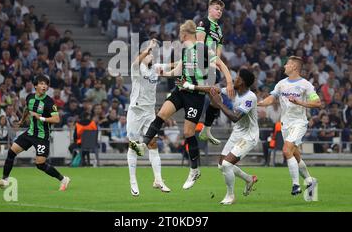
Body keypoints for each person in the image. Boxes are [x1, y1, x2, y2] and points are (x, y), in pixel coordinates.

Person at [130, 20, 229, 190]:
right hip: (180, 90)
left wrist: (229, 82)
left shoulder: (202, 49)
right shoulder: (185, 51)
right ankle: (143, 144)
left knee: (188, 133)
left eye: (180, 34)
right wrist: (166, 74)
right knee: (161, 114)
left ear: (184, 35)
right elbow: (179, 70)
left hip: (195, 95)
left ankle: (194, 170)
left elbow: (220, 63)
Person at [0, 75, 70, 191]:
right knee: (11, 152)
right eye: (41, 83)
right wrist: (22, 121)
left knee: (40, 164)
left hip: (42, 136)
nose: (44, 86)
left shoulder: (49, 102)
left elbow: (57, 119)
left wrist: (40, 118)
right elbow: (27, 109)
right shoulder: (30, 97)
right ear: (35, 86)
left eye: (46, 84)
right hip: (30, 133)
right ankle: (5, 180)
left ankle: (63, 179)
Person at [258, 56, 320, 196]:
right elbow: (272, 98)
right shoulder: (281, 84)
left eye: (287, 64)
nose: (284, 66)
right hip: (285, 124)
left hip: (299, 123)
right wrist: (260, 103)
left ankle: (296, 185)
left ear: (294, 67)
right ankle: (310, 181)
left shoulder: (305, 84)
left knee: (286, 150)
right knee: (295, 155)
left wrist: (300, 103)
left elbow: (317, 103)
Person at [207, 69, 259, 205]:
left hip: (249, 136)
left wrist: (219, 103)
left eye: (236, 78)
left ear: (241, 82)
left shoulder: (250, 97)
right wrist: (191, 87)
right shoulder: (233, 91)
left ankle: (230, 196)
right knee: (221, 166)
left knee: (227, 164)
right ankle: (248, 179)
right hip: (237, 133)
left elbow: (235, 117)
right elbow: (214, 90)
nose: (234, 79)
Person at [126, 38, 170, 197]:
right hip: (136, 112)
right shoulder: (137, 69)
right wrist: (148, 48)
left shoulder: (156, 68)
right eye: (149, 55)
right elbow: (135, 62)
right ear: (143, 56)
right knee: (133, 145)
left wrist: (188, 60)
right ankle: (133, 181)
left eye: (153, 54)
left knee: (153, 144)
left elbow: (173, 66)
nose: (152, 56)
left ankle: (158, 179)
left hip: (150, 112)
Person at [196, 0, 234, 145]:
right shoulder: (203, 23)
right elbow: (199, 45)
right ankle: (205, 129)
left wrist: (216, 63)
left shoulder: (218, 29)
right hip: (202, 65)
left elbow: (218, 50)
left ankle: (206, 129)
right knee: (214, 95)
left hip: (212, 65)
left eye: (221, 10)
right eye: (217, 8)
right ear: (209, 10)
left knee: (216, 97)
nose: (219, 12)